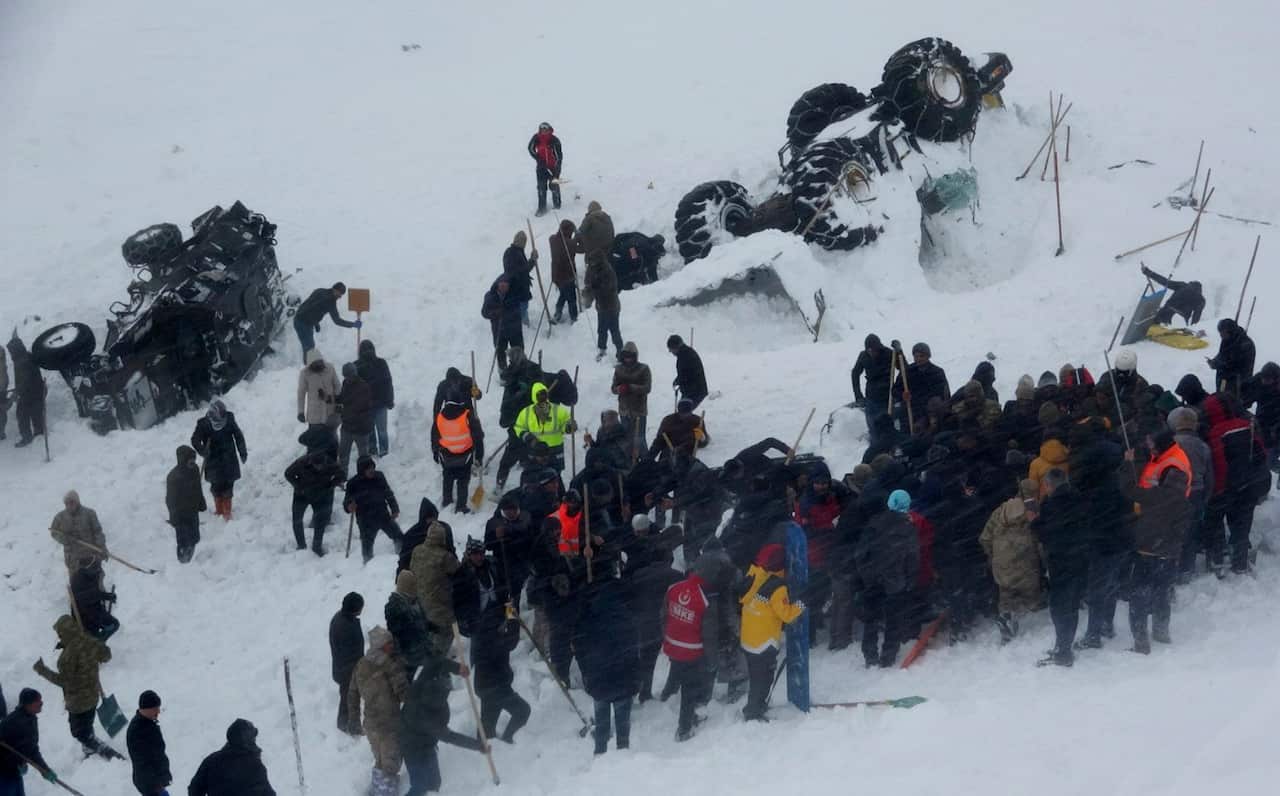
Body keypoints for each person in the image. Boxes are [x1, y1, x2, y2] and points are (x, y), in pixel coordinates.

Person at [455, 538, 530, 744]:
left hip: (497, 622)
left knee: (491, 704)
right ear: (469, 556)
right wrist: (468, 625)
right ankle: (492, 738)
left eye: (480, 553)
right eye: (474, 554)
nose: (478, 557)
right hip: (479, 627)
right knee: (493, 697)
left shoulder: (494, 568)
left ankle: (488, 738)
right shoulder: (463, 576)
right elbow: (459, 606)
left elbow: (506, 597)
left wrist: (511, 618)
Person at [1121, 440, 1193, 653]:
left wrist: (1128, 464)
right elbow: (1184, 532)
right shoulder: (1185, 505)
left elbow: (1128, 489)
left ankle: (1141, 640)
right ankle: (1161, 631)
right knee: (1162, 593)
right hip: (1169, 554)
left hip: (1146, 550)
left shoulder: (1153, 495)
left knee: (1138, 595)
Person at [32, 615, 122, 759]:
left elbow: (63, 681)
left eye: (60, 634)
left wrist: (42, 670)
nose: (59, 637)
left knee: (79, 732)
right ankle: (89, 750)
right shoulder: (90, 641)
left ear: (64, 633)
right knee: (87, 724)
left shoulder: (66, 657)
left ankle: (109, 754)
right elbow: (106, 655)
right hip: (93, 694)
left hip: (77, 702)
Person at [1202, 393, 1270, 574]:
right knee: (1242, 523)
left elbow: (1220, 465)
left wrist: (1216, 491)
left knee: (1216, 521)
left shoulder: (1216, 433)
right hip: (1249, 484)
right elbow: (1261, 453)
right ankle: (1240, 562)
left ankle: (1217, 561)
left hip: (1228, 487)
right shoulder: (1247, 425)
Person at [399, 655, 485, 795]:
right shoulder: (426, 716)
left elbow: (436, 662)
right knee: (419, 786)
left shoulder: (423, 682)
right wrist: (478, 746)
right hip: (411, 746)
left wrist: (458, 668)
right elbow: (451, 737)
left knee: (434, 783)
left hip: (426, 742)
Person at [853, 490, 920, 667]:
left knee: (871, 619)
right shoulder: (908, 528)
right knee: (893, 620)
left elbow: (860, 554)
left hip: (873, 580)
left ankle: (870, 655)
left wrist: (866, 575)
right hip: (896, 580)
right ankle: (888, 656)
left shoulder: (874, 523)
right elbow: (912, 557)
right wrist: (910, 579)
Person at [1030, 469, 1090, 667]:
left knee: (1059, 606)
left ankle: (1063, 651)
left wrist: (1034, 522)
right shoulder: (1078, 498)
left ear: (1049, 485)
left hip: (1061, 560)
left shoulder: (1052, 504)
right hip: (1079, 557)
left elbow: (1048, 534)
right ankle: (1064, 646)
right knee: (1071, 604)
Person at [738, 543, 804, 720]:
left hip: (749, 638)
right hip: (764, 642)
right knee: (763, 680)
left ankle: (755, 706)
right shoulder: (777, 587)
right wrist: (800, 604)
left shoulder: (754, 574)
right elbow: (787, 615)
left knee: (756, 678)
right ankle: (753, 712)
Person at [573, 576, 639, 755]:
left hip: (598, 678)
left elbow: (579, 649)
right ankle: (622, 753)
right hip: (623, 678)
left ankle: (600, 754)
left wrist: (587, 671)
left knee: (601, 724)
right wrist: (635, 678)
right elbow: (634, 651)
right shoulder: (626, 618)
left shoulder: (586, 619)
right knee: (623, 724)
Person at [979, 479, 1042, 643]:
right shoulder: (1034, 511)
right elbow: (1040, 539)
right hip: (1025, 559)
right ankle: (1025, 617)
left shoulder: (1000, 511)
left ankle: (1006, 616)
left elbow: (985, 537)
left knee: (1006, 590)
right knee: (1028, 591)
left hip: (1001, 560)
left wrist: (993, 555)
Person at [349, 626, 409, 796]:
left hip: (371, 724)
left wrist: (353, 718)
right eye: (388, 643)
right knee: (391, 764)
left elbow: (352, 693)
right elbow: (403, 692)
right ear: (380, 645)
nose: (391, 646)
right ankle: (386, 793)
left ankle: (377, 790)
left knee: (381, 761)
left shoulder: (360, 665)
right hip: (389, 724)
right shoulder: (389, 664)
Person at [662, 570, 711, 741]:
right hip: (691, 650)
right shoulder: (703, 600)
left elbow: (664, 612)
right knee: (690, 690)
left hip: (672, 644)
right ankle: (684, 729)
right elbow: (706, 631)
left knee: (675, 672)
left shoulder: (674, 588)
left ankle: (666, 697)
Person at [187, 718, 276, 796]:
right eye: (252, 737)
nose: (254, 740)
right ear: (246, 740)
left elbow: (194, 789)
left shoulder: (211, 761)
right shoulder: (255, 765)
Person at [410, 521, 461, 656]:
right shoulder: (445, 556)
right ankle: (437, 661)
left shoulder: (417, 550)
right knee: (448, 630)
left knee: (430, 628)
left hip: (419, 599)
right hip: (439, 602)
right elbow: (458, 570)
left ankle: (429, 651)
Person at [191, 400, 247, 520]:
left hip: (229, 458)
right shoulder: (203, 424)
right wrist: (202, 450)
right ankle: (219, 509)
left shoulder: (229, 419)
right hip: (213, 461)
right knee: (216, 485)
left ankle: (227, 511)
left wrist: (242, 452)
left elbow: (238, 435)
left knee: (228, 484)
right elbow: (195, 439)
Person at [579, 202, 621, 360]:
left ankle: (619, 351)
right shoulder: (608, 219)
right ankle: (603, 349)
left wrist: (592, 290)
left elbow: (580, 232)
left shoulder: (589, 219)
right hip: (607, 251)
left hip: (610, 305)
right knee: (602, 329)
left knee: (613, 330)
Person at [344, 456, 403, 563]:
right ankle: (368, 567)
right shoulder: (353, 483)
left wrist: (394, 508)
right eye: (368, 469)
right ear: (362, 470)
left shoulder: (379, 476)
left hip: (382, 515)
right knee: (367, 547)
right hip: (365, 520)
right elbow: (347, 502)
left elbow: (388, 493)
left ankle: (401, 556)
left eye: (372, 467)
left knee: (398, 536)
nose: (371, 471)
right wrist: (349, 506)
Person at [284, 449, 345, 554]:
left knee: (320, 522)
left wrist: (330, 484)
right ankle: (301, 545)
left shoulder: (330, 463)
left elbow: (342, 475)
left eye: (321, 466)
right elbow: (288, 473)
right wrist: (299, 486)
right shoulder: (301, 462)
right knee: (297, 519)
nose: (319, 468)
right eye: (317, 466)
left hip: (320, 495)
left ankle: (317, 546)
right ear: (311, 462)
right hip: (302, 495)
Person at [432, 400, 484, 513]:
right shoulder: (468, 415)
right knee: (463, 481)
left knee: (447, 478)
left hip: (446, 456)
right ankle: (461, 506)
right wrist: (479, 456)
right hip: (465, 456)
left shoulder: (440, 416)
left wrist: (435, 452)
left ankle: (447, 501)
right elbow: (478, 437)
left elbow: (434, 435)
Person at [513, 381, 576, 475]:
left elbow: (566, 422)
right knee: (535, 477)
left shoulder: (557, 410)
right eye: (539, 395)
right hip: (536, 452)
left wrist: (569, 426)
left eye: (544, 394)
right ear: (534, 396)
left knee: (555, 478)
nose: (542, 398)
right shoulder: (526, 412)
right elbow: (518, 427)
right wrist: (528, 437)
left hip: (555, 451)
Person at [0, 689, 54, 793]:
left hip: (13, 772)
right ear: (27, 705)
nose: (41, 703)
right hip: (3, 774)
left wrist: (45, 770)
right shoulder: (13, 722)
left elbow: (31, 749)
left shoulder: (31, 719)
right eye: (38, 701)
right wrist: (16, 763)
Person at [893, 342, 950, 434]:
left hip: (929, 414)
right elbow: (895, 390)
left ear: (928, 356)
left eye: (921, 356)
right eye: (916, 356)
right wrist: (902, 395)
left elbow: (942, 394)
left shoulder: (937, 372)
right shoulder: (907, 371)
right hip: (908, 412)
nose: (918, 359)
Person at [294, 282, 359, 359]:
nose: (340, 297)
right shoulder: (330, 301)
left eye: (341, 295)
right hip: (303, 322)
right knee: (309, 349)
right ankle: (308, 368)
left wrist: (315, 323)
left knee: (309, 347)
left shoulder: (319, 291)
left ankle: (309, 366)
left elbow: (310, 306)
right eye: (339, 294)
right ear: (335, 289)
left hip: (301, 319)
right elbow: (337, 321)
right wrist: (353, 324)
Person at [330, 592, 364, 735]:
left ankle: (345, 724)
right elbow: (351, 653)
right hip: (347, 671)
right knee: (350, 699)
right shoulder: (346, 626)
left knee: (347, 698)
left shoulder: (340, 618)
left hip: (343, 668)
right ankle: (349, 727)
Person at [851, 334, 895, 446]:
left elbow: (904, 368)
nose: (872, 353)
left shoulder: (889, 354)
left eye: (875, 350)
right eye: (870, 350)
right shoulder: (863, 356)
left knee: (888, 425)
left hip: (888, 396)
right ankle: (875, 448)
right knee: (873, 425)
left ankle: (890, 447)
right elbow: (855, 373)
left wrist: (899, 352)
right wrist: (858, 395)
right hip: (871, 396)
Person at [165, 444, 206, 563]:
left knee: (194, 533)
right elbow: (170, 499)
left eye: (194, 460)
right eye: (190, 460)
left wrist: (201, 502)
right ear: (182, 460)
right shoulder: (173, 477)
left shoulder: (195, 470)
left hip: (192, 509)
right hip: (180, 512)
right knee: (182, 535)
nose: (192, 462)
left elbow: (198, 487)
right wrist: (173, 516)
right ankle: (182, 552)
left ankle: (192, 546)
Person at [386, 571, 431, 677]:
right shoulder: (394, 607)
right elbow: (400, 632)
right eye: (412, 585)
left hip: (420, 648)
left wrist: (429, 626)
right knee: (407, 682)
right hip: (408, 654)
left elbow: (420, 620)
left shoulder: (412, 600)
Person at [49, 490, 106, 573]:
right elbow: (54, 532)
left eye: (71, 502)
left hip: (91, 557)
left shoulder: (89, 514)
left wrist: (102, 547)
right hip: (73, 560)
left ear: (77, 501)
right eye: (66, 503)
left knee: (96, 583)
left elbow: (98, 532)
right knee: (76, 585)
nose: (69, 505)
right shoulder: (60, 517)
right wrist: (66, 539)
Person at [126, 690, 171, 796]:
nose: (158, 711)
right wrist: (156, 785)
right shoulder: (137, 731)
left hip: (154, 781)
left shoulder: (148, 722)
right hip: (149, 783)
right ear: (147, 709)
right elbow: (142, 763)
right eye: (156, 708)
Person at [612, 341, 652, 460]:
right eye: (626, 357)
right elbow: (613, 388)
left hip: (639, 410)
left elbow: (647, 387)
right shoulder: (618, 369)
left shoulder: (643, 369)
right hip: (624, 410)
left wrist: (631, 387)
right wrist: (619, 389)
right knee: (626, 440)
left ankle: (646, 463)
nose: (628, 359)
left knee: (640, 440)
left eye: (630, 357)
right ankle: (629, 463)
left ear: (635, 356)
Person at [357, 340, 395, 457]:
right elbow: (354, 387)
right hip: (366, 405)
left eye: (370, 349)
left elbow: (388, 381)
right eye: (365, 350)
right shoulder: (357, 366)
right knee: (370, 431)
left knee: (381, 430)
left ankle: (383, 451)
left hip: (380, 404)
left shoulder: (381, 363)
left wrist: (389, 399)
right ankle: (373, 450)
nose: (368, 352)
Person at [6, 335, 44, 449]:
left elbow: (24, 380)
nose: (10, 353)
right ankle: (39, 432)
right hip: (37, 389)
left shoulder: (21, 361)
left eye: (11, 351)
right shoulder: (27, 355)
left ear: (15, 350)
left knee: (22, 415)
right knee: (36, 413)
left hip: (29, 392)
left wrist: (16, 393)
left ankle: (27, 438)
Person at [337, 362, 374, 475]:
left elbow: (359, 407)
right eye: (345, 376)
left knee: (364, 457)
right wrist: (330, 399)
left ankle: (364, 477)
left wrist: (343, 410)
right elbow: (343, 398)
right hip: (347, 427)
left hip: (361, 429)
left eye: (349, 376)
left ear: (354, 374)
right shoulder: (346, 384)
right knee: (343, 454)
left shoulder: (363, 387)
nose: (347, 378)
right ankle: (342, 477)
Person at [70, 558, 119, 641]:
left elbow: (93, 595)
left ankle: (96, 644)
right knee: (113, 624)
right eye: (98, 567)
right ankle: (98, 643)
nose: (100, 570)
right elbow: (85, 596)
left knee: (98, 632)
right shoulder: (80, 577)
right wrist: (104, 596)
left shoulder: (87, 576)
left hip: (91, 613)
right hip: (87, 615)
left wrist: (106, 597)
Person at [482, 277, 525, 371]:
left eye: (506, 286)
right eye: (502, 285)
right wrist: (496, 313)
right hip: (499, 330)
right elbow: (484, 313)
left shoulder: (514, 295)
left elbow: (519, 308)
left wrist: (508, 313)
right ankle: (503, 373)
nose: (504, 288)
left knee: (518, 351)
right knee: (500, 352)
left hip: (514, 330)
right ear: (497, 284)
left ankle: (520, 371)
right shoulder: (490, 296)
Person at [1141, 264, 1206, 326]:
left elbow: (1165, 281)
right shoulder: (1200, 299)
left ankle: (1155, 324)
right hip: (1180, 319)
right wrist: (1192, 327)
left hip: (1166, 313)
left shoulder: (1182, 285)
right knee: (1178, 321)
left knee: (1159, 318)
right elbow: (1197, 315)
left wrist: (1148, 272)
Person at [1207, 318, 1256, 396]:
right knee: (1221, 396)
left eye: (1223, 334)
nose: (1221, 336)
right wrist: (1214, 361)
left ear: (1231, 332)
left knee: (1231, 402)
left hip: (1237, 382)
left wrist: (1218, 364)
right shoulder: (1227, 339)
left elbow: (1234, 364)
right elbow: (1222, 354)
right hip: (1224, 379)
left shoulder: (1245, 344)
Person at [297, 349, 341, 431]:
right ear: (310, 364)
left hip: (330, 412)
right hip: (315, 415)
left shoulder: (330, 368)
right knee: (315, 440)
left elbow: (337, 386)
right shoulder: (305, 374)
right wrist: (301, 412)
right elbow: (301, 394)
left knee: (331, 438)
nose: (318, 365)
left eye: (319, 362)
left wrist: (339, 403)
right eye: (315, 364)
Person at [527, 122, 563, 215]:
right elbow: (530, 148)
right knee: (541, 187)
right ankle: (541, 208)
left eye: (545, 129)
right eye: (542, 129)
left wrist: (557, 169)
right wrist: (538, 158)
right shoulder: (536, 138)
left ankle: (557, 205)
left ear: (549, 129)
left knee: (554, 186)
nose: (544, 131)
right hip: (541, 167)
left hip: (552, 167)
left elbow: (559, 156)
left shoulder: (554, 140)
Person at [503, 231, 537, 327]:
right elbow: (521, 271)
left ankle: (522, 325)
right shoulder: (515, 254)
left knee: (520, 308)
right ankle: (523, 327)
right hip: (518, 289)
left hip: (514, 288)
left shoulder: (510, 251)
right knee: (522, 309)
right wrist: (532, 260)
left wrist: (531, 261)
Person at [550, 218, 580, 323]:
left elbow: (555, 238)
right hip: (567, 275)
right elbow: (581, 248)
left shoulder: (552, 240)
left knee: (563, 293)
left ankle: (558, 313)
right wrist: (578, 236)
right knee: (571, 298)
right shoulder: (570, 244)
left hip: (556, 275)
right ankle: (574, 317)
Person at [667, 334, 708, 409]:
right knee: (683, 413)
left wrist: (678, 381)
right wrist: (678, 380)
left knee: (683, 413)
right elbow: (685, 372)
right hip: (693, 390)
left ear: (676, 347)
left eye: (671, 349)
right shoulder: (685, 353)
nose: (670, 351)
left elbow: (687, 374)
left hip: (695, 391)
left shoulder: (685, 356)